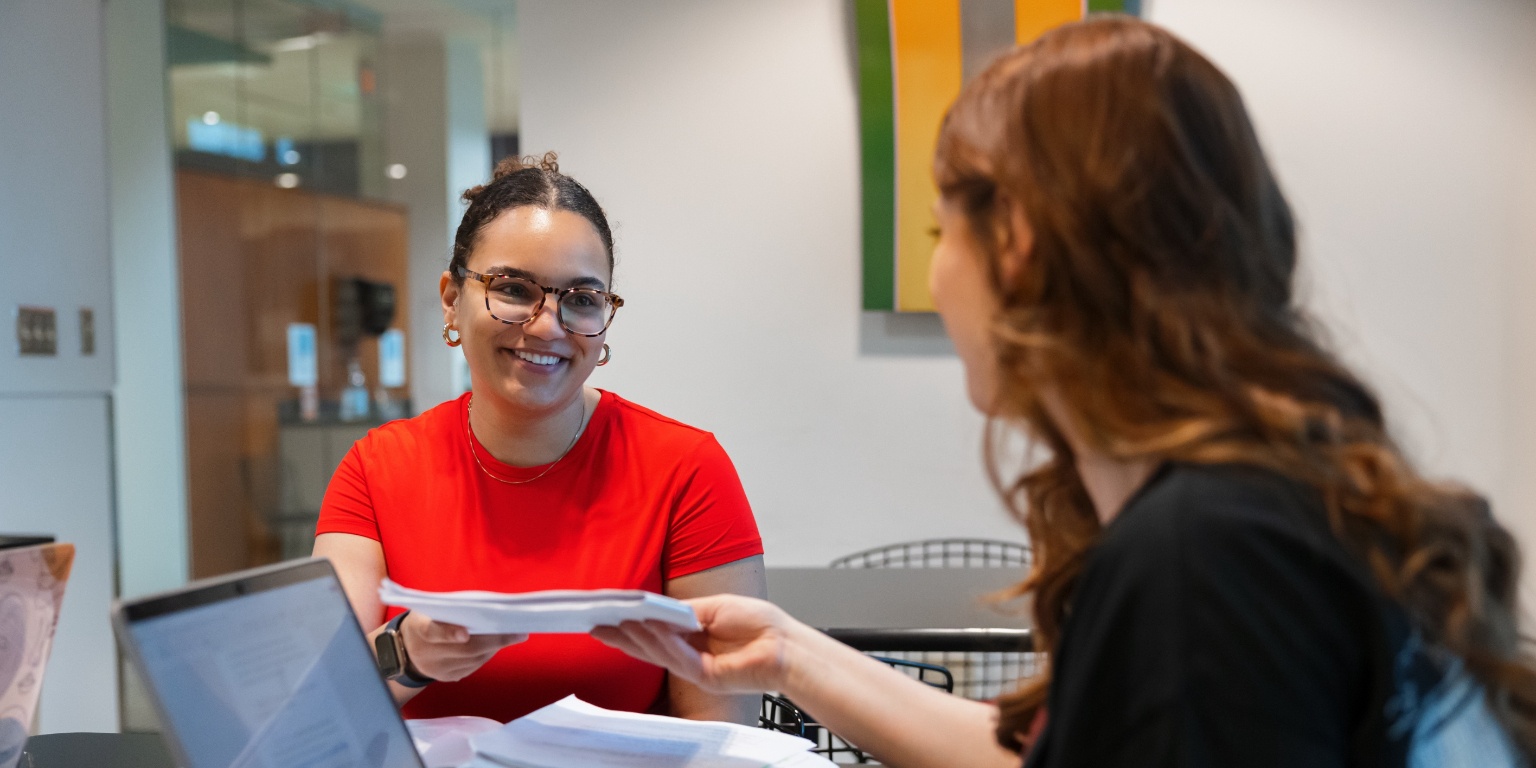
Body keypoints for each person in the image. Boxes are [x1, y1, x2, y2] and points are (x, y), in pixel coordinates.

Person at [592, 16, 1536, 767]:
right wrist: (790, 654)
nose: (940, 279)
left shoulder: (1203, 559)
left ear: (1021, 245)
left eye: (939, 239)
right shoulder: (1258, 506)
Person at [314, 153, 766, 725]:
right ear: (452, 299)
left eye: (581, 299)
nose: (548, 324)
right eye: (512, 288)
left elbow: (722, 736)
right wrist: (407, 654)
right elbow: (320, 703)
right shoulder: (376, 469)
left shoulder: (686, 468)